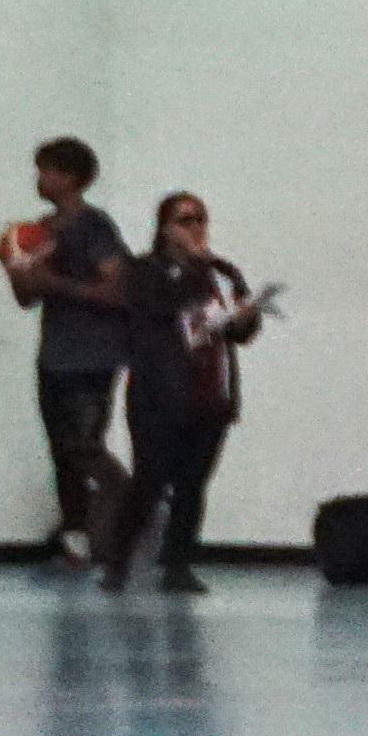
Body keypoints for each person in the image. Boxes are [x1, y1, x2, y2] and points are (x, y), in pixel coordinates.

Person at [96, 196, 261, 593]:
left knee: (193, 484)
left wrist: (246, 316)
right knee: (149, 479)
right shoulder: (143, 270)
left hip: (210, 392)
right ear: (165, 227)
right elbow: (159, 306)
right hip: (159, 391)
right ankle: (119, 561)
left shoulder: (221, 271)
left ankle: (178, 564)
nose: (196, 228)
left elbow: (240, 330)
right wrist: (194, 265)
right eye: (185, 220)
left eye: (201, 219)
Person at [0, 138, 131, 563]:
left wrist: (57, 284)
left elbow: (118, 289)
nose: (39, 179)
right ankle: (75, 538)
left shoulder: (94, 227)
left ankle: (133, 513)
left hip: (92, 356)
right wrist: (18, 271)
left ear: (70, 177)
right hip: (54, 353)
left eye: (46, 170)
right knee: (61, 450)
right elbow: (27, 298)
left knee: (84, 445)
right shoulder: (40, 230)